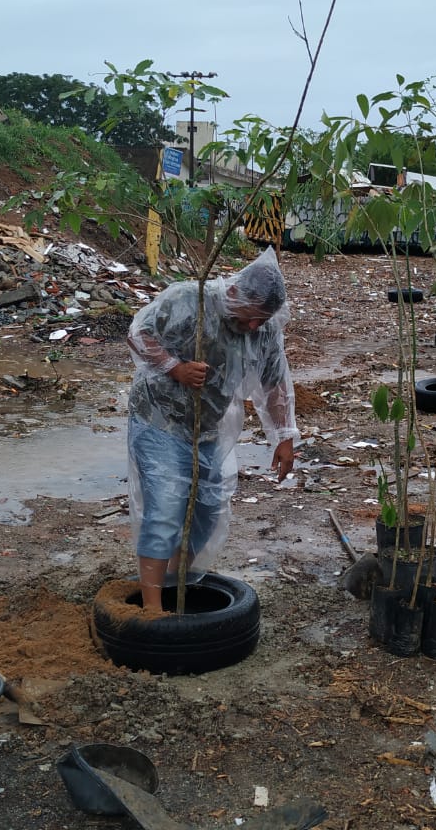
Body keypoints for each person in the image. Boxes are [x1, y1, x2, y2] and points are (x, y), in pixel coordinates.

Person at [126, 248, 299, 611]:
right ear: (234, 293)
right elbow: (139, 334)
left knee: (206, 510)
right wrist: (175, 367)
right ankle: (153, 611)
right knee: (165, 506)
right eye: (250, 317)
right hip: (159, 419)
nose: (253, 327)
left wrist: (284, 437)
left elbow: (275, 384)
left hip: (206, 429)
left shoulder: (263, 328)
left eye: (261, 320)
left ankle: (175, 582)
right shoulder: (189, 300)